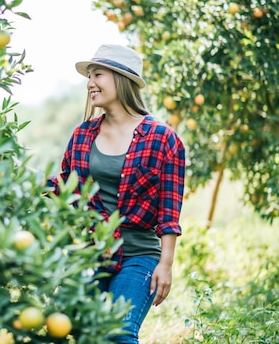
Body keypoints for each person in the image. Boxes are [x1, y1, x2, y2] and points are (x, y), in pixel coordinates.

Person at [48, 44, 186, 343]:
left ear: (121, 80)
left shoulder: (163, 139)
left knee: (119, 332)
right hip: (91, 254)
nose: (90, 83)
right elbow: (65, 186)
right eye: (89, 76)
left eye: (98, 75)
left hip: (139, 255)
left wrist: (166, 264)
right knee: (69, 328)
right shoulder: (83, 134)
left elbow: (169, 210)